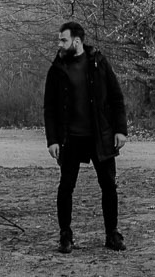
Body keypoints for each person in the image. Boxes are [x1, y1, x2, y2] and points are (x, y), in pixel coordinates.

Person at [42, 20, 128, 253]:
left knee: (108, 185)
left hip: (100, 136)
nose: (59, 44)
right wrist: (52, 140)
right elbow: (49, 108)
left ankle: (112, 233)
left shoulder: (99, 63)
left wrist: (121, 130)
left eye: (63, 40)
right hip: (70, 138)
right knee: (66, 187)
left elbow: (116, 98)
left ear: (77, 41)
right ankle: (65, 236)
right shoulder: (57, 69)